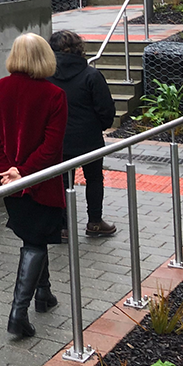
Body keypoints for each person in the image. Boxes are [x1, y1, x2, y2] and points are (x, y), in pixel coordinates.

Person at [0, 33, 68, 339]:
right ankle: (18, 315)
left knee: (33, 236)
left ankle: (44, 294)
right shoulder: (54, 95)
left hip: (7, 184)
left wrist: (7, 170)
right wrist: (25, 172)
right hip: (40, 182)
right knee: (35, 241)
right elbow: (52, 145)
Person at [48, 30, 117, 239]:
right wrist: (100, 126)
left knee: (61, 182)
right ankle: (95, 222)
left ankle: (62, 227)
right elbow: (106, 109)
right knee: (94, 178)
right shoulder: (91, 75)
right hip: (89, 138)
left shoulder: (45, 76)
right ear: (79, 49)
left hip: (57, 139)